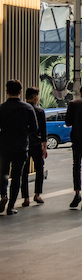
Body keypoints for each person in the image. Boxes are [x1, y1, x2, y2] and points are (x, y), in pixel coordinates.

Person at [0, 80, 38, 215]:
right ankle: (10, 207)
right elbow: (35, 128)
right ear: (20, 91)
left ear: (6, 91)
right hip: (21, 146)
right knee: (17, 175)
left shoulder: (2, 108)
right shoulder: (27, 108)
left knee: (3, 172)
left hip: (4, 146)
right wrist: (24, 133)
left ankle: (3, 194)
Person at [21, 88, 47, 207]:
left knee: (24, 172)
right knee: (39, 170)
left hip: (24, 145)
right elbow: (43, 131)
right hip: (36, 144)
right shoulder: (40, 111)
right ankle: (37, 194)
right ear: (36, 97)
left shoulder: (22, 109)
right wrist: (44, 148)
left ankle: (26, 198)